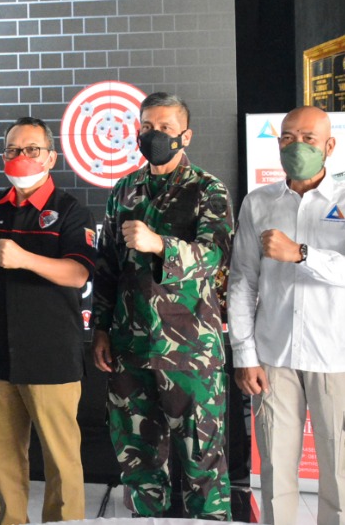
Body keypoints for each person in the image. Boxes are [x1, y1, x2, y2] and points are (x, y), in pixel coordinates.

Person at [228, 106, 345, 525]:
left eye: (308, 138)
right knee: (275, 472)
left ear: (329, 146)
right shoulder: (258, 202)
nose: (297, 146)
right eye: (288, 138)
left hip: (336, 357)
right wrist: (244, 354)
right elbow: (242, 281)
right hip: (273, 356)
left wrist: (301, 254)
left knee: (340, 475)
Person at [92, 91, 234, 520]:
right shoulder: (124, 190)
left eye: (165, 128)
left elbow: (215, 256)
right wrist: (101, 328)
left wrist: (160, 245)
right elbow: (107, 266)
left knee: (201, 464)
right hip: (130, 348)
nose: (154, 136)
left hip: (190, 351)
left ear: (185, 136)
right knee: (138, 462)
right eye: (147, 127)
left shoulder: (207, 190)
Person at [0, 117, 94, 525]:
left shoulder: (71, 210)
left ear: (51, 157)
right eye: (13, 149)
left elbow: (78, 273)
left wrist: (24, 259)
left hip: (51, 353)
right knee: (2, 453)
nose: (21, 156)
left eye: (32, 149)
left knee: (61, 459)